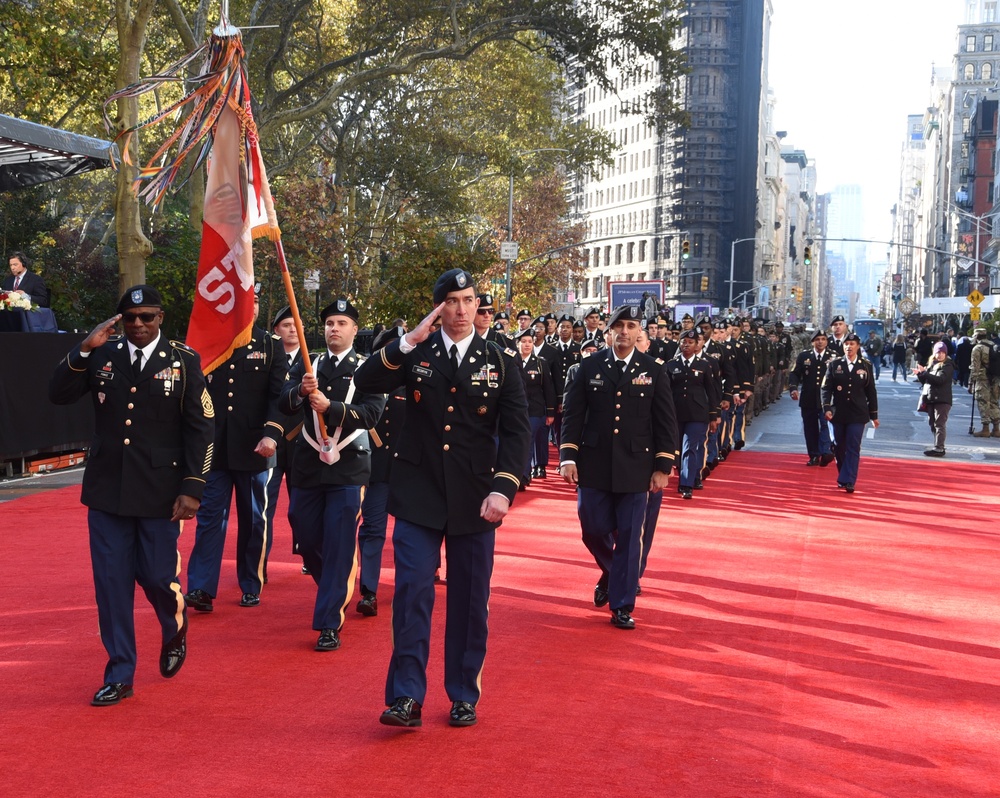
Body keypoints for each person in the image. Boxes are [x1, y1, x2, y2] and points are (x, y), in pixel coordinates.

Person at [353, 268, 530, 729]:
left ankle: (463, 693)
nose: (461, 309)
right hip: (418, 493)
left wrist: (504, 488)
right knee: (412, 593)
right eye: (451, 300)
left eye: (469, 300)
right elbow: (368, 381)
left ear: (478, 305)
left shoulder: (500, 358)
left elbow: (515, 432)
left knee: (470, 601)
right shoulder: (416, 353)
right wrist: (407, 340)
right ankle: (406, 697)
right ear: (438, 306)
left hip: (477, 496)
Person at [49, 285, 214, 705]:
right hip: (107, 491)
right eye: (130, 318)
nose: (138, 325)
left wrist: (194, 487)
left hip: (161, 493)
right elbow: (58, 393)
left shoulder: (183, 359)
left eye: (147, 317)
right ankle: (120, 672)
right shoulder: (102, 354)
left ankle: (174, 626)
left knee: (158, 577)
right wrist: (83, 349)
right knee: (111, 584)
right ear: (120, 320)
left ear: (161, 318)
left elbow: (201, 427)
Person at [559, 303, 678, 630]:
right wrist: (568, 456)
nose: (624, 332)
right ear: (609, 331)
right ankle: (614, 573)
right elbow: (572, 416)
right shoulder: (589, 366)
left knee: (628, 536)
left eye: (630, 326)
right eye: (618, 326)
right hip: (593, 464)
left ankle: (622, 604)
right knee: (592, 527)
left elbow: (665, 422)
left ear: (640, 331)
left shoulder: (654, 370)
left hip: (636, 466)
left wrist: (662, 466)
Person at [279, 298, 386, 652]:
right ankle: (335, 587)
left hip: (348, 466)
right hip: (309, 463)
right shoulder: (310, 365)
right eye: (329, 323)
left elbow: (371, 414)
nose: (334, 329)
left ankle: (329, 623)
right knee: (304, 534)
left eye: (341, 323)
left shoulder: (366, 367)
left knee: (340, 543)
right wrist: (300, 391)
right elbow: (283, 401)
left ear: (355, 330)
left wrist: (333, 408)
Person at [184, 289, 289, 612]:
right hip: (214, 449)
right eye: (245, 301)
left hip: (255, 448)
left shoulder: (270, 346)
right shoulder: (209, 344)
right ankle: (201, 586)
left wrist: (272, 435)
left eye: (255, 301)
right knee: (210, 518)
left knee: (254, 519)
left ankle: (250, 582)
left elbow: (279, 398)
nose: (250, 307)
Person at [355, 326, 408, 616]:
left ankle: (406, 585)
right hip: (376, 472)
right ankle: (369, 591)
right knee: (372, 530)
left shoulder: (415, 383)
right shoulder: (368, 384)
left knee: (407, 534)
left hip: (408, 472)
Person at [263, 305, 305, 575]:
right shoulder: (266, 360)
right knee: (264, 507)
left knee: (302, 507)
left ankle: (308, 554)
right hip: (274, 442)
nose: (292, 329)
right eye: (286, 325)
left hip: (304, 443)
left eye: (296, 325)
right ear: (276, 330)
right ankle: (260, 563)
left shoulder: (312, 361)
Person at [821, 333, 879, 494]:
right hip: (838, 413)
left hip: (858, 414)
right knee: (839, 447)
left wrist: (874, 415)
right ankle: (844, 475)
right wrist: (826, 407)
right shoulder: (834, 365)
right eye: (846, 344)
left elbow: (871, 391)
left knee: (853, 447)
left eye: (852, 344)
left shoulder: (865, 365)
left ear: (858, 346)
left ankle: (850, 480)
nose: (849, 347)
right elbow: (826, 388)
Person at [515, 328, 556, 487]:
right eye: (524, 342)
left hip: (535, 409)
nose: (527, 345)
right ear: (517, 343)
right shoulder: (511, 360)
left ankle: (524, 476)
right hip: (515, 409)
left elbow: (548, 388)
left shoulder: (540, 363)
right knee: (516, 441)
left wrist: (550, 412)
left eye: (530, 342)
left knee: (528, 440)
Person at [789, 329, 835, 466]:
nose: (820, 342)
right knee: (810, 428)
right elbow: (795, 373)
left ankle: (825, 451)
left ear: (827, 341)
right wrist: (793, 388)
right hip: (808, 398)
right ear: (812, 342)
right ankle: (814, 455)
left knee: (826, 424)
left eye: (823, 339)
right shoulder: (804, 356)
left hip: (826, 399)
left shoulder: (833, 356)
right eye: (817, 339)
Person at [914, 341, 954, 457]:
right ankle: (937, 445)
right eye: (938, 352)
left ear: (946, 353)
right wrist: (920, 374)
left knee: (939, 423)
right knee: (932, 423)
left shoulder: (948, 365)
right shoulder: (932, 364)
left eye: (942, 352)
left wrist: (925, 373)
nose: (940, 355)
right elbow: (927, 381)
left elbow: (940, 380)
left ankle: (939, 448)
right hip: (931, 398)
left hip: (942, 399)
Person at [969, 327, 1000, 438]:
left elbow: (975, 367)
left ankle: (985, 429)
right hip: (995, 379)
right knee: (994, 402)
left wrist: (971, 383)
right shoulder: (993, 345)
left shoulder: (978, 348)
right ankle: (996, 429)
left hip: (983, 379)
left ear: (976, 336)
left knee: (983, 402)